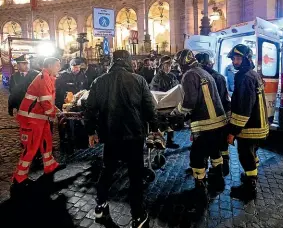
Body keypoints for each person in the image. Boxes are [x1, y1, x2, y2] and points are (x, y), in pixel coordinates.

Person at [85, 50, 158, 228]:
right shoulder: (138, 80)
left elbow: (90, 110)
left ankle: (100, 206)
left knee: (107, 170)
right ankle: (138, 215)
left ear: (112, 61)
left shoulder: (99, 81)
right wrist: (155, 129)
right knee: (135, 175)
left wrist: (91, 132)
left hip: (110, 135)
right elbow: (150, 108)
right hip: (134, 136)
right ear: (128, 61)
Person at [171, 49, 226, 206]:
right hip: (219, 122)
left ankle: (200, 189)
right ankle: (218, 179)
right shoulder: (204, 72)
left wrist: (176, 112)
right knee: (215, 151)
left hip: (204, 124)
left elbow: (189, 102)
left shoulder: (189, 75)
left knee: (196, 155)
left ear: (183, 62)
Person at [11, 57, 65, 191]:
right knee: (31, 147)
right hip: (31, 119)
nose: (59, 68)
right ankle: (19, 177)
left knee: (46, 140)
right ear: (51, 66)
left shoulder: (47, 78)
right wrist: (54, 115)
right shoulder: (44, 78)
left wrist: (56, 111)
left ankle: (49, 164)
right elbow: (45, 102)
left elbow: (48, 101)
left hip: (39, 118)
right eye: (58, 66)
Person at [226, 44, 269, 201]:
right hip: (259, 126)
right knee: (252, 155)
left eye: (237, 58)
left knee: (245, 156)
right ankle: (250, 178)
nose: (234, 62)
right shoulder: (253, 74)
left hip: (250, 128)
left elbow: (243, 109)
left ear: (246, 59)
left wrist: (233, 131)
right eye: (233, 59)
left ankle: (250, 189)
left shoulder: (244, 77)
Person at [195, 53, 231, 176]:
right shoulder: (218, 77)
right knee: (220, 146)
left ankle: (211, 169)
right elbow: (225, 99)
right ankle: (222, 169)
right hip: (220, 118)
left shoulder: (201, 78)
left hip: (209, 119)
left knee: (208, 147)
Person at [150, 55, 180, 149]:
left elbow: (176, 88)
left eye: (170, 65)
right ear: (162, 66)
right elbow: (154, 91)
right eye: (166, 65)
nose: (168, 67)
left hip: (171, 103)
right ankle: (160, 141)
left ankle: (170, 141)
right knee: (162, 124)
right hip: (161, 104)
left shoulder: (172, 76)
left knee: (171, 123)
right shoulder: (157, 77)